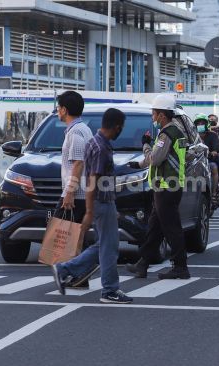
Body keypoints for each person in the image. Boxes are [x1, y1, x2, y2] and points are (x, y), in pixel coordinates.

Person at [52, 108, 133, 304]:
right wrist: (89, 211)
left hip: (104, 202)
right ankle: (110, 290)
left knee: (102, 245)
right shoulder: (101, 148)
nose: (120, 132)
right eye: (121, 128)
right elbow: (91, 180)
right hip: (101, 202)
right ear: (116, 127)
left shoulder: (95, 142)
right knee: (109, 248)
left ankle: (65, 269)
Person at [126, 94, 190, 280]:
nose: (152, 117)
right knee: (155, 227)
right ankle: (143, 264)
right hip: (169, 187)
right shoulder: (178, 132)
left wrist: (145, 147)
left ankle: (180, 266)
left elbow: (155, 158)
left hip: (166, 187)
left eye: (154, 114)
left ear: (162, 115)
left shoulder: (166, 134)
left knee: (171, 227)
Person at [52, 90, 97, 289]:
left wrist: (69, 193)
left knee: (60, 235)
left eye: (59, 107)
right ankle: (80, 276)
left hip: (76, 194)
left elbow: (78, 163)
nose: (57, 110)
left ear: (65, 109)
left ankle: (70, 271)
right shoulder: (81, 129)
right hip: (80, 193)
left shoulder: (76, 132)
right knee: (76, 237)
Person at [195, 114, 219, 198]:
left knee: (216, 165)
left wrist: (213, 152)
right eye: (198, 123)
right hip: (196, 159)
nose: (200, 125)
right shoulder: (193, 135)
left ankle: (214, 192)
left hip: (209, 159)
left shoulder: (213, 134)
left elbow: (216, 148)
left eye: (202, 123)